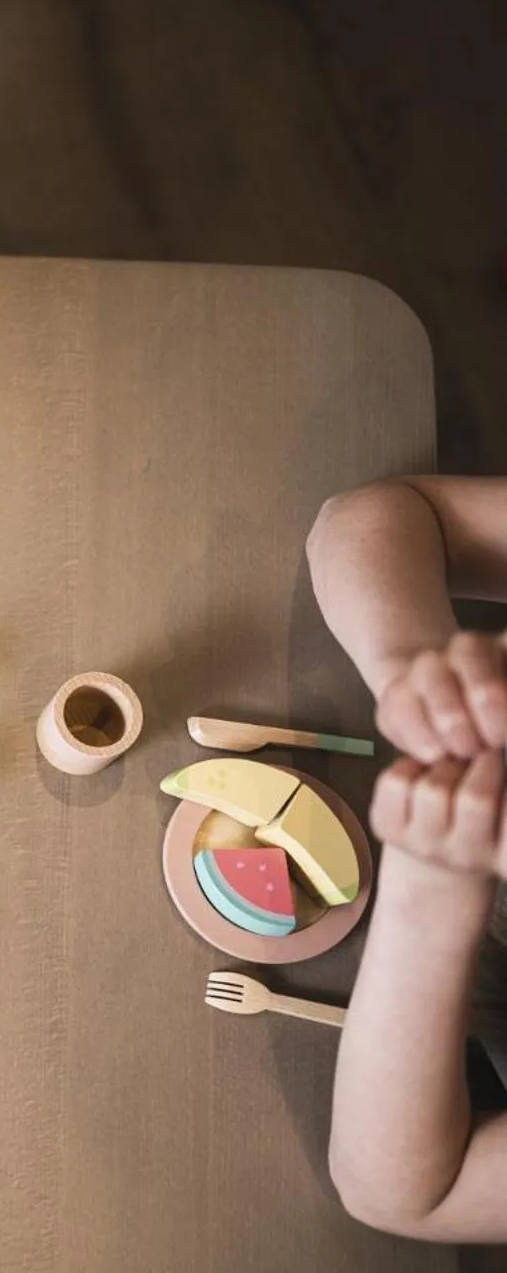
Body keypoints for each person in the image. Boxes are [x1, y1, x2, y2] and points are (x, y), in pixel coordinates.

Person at [307, 475, 507, 1240]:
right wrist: (414, 674)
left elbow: (408, 1194)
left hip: (406, 1067)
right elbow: (364, 517)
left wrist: (435, 894)